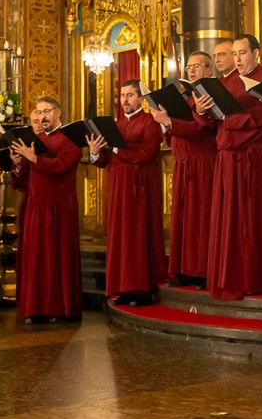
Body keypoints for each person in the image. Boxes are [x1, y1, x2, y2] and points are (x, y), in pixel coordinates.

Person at [198, 34, 262, 300]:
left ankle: (253, 276)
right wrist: (202, 109)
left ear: (255, 53)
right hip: (228, 155)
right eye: (234, 53)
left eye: (242, 53)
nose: (237, 58)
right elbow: (214, 123)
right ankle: (228, 274)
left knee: (250, 217)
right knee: (229, 218)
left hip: (254, 156)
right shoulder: (225, 83)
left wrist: (234, 121)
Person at [88, 81, 165, 304]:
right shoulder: (118, 124)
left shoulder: (149, 122)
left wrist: (114, 148)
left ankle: (142, 289)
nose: (125, 100)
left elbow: (147, 152)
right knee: (121, 239)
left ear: (141, 99)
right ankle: (122, 287)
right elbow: (105, 160)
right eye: (122, 96)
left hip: (140, 189)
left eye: (130, 95)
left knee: (138, 236)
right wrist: (95, 153)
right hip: (119, 189)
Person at [148, 51, 218, 286]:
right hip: (183, 164)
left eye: (197, 66)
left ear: (209, 69)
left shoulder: (211, 94)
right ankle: (184, 269)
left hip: (204, 164)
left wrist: (170, 122)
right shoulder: (187, 97)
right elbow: (173, 137)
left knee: (201, 220)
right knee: (183, 220)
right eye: (189, 67)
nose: (191, 70)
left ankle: (204, 271)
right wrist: (165, 124)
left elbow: (202, 130)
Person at [12, 97, 83, 322]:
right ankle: (35, 308)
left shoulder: (70, 139)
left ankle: (59, 309)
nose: (42, 117)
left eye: (47, 111)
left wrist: (34, 158)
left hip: (58, 207)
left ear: (58, 112)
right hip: (35, 207)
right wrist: (17, 163)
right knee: (36, 259)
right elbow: (23, 179)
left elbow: (61, 166)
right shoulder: (35, 140)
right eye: (39, 112)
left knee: (56, 258)